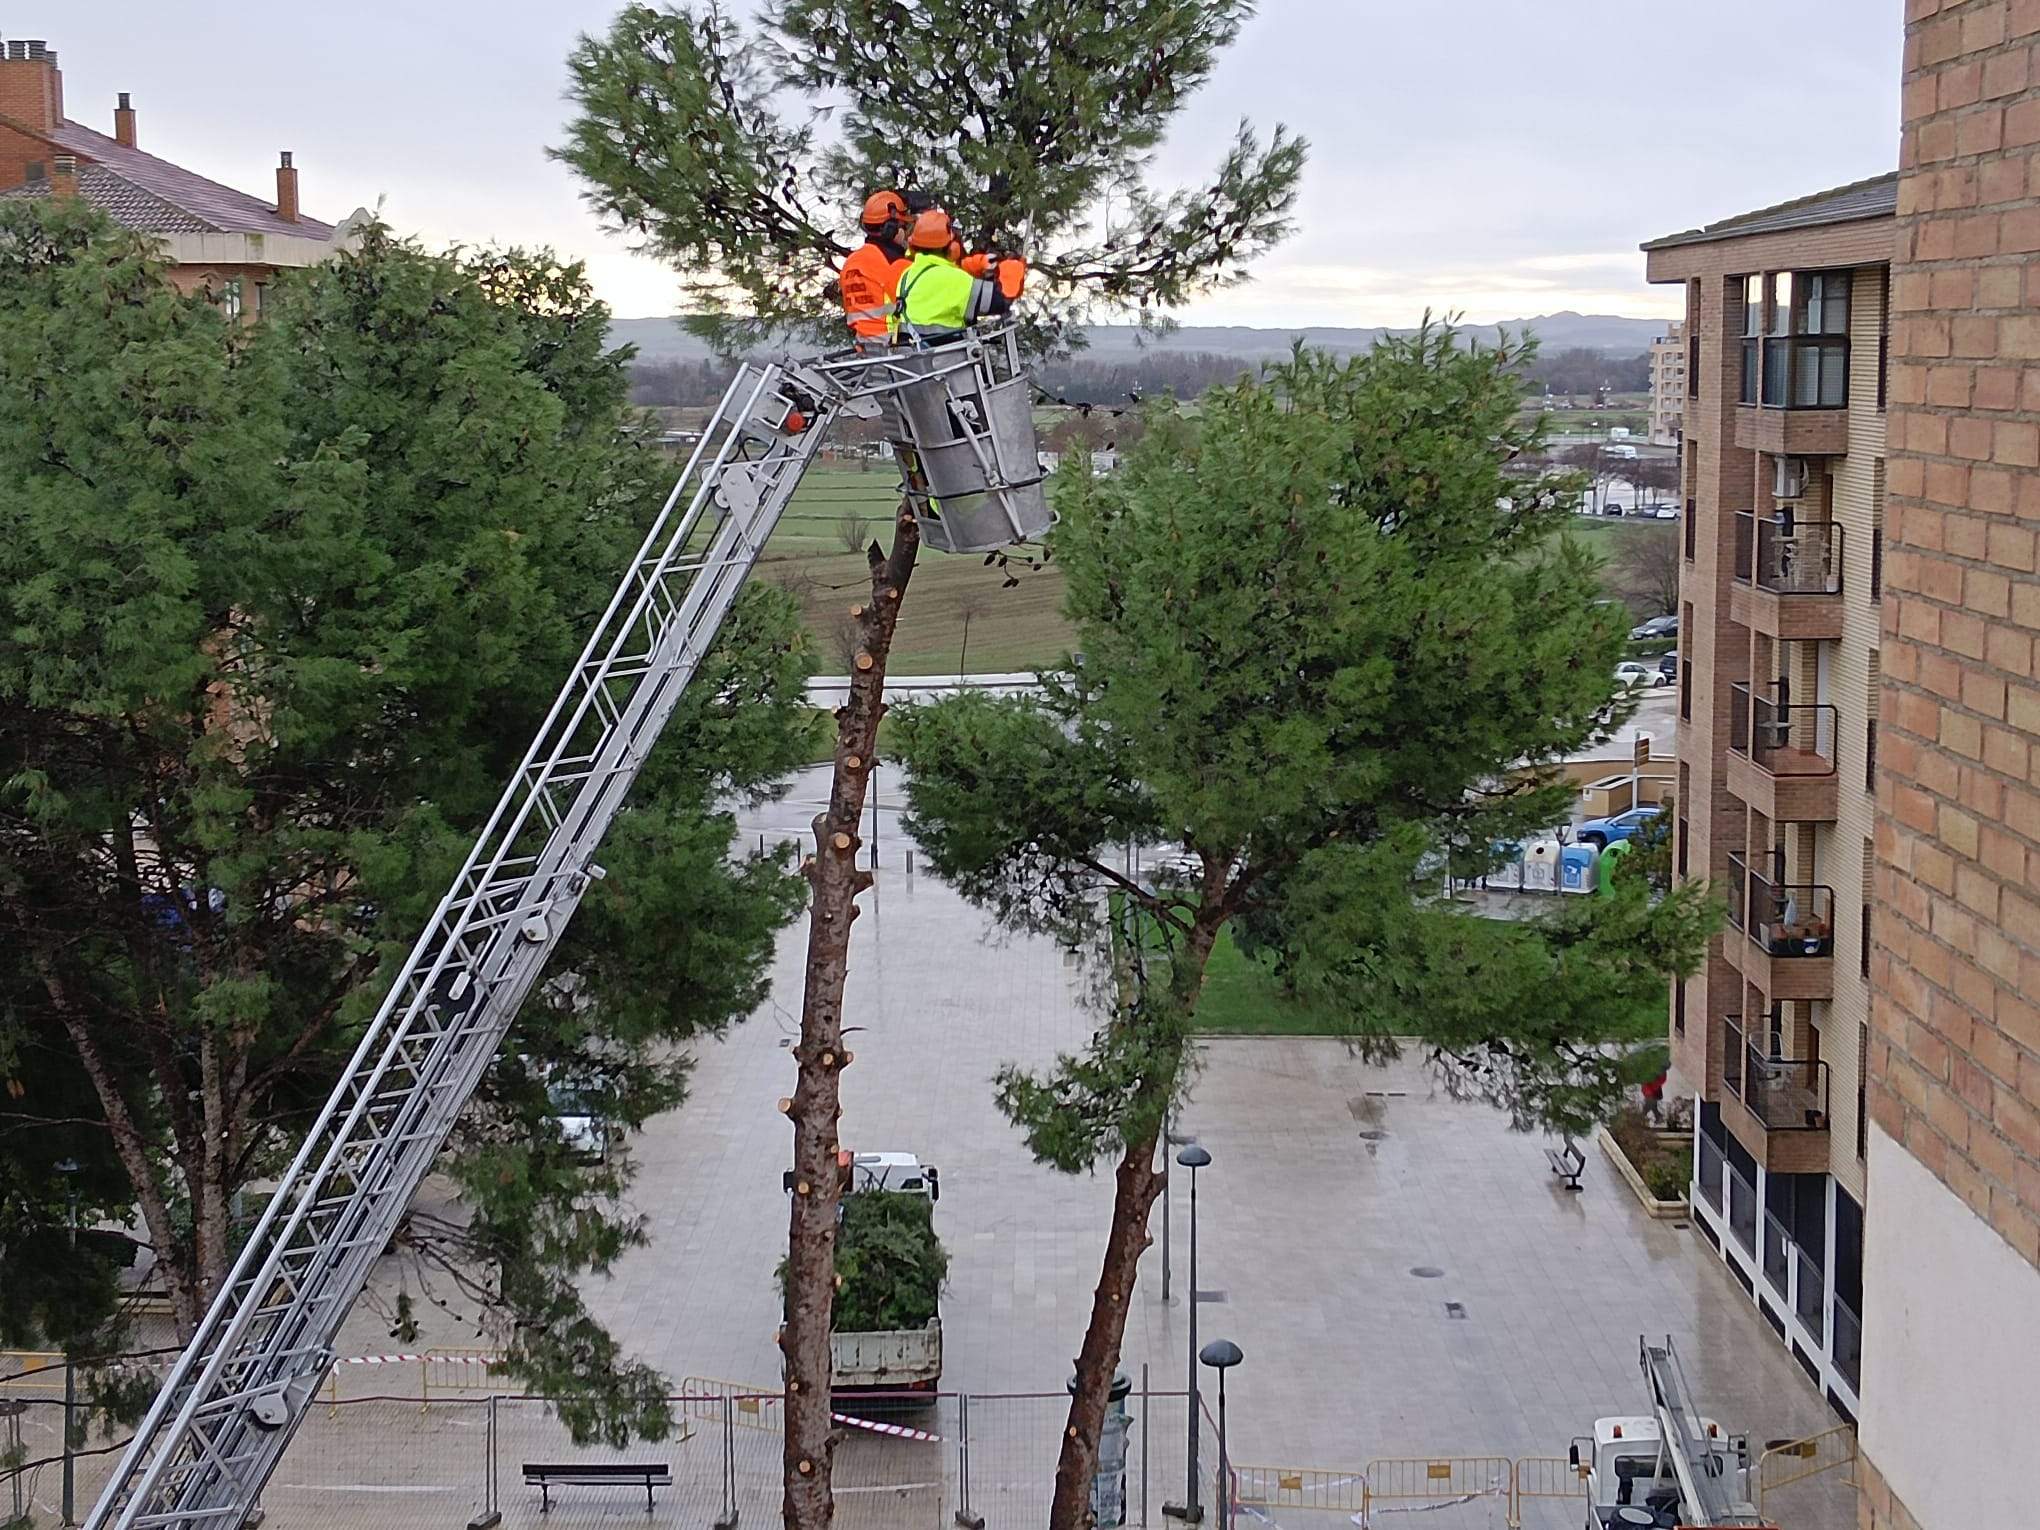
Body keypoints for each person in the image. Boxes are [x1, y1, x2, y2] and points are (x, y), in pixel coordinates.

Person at [892, 208, 1024, 342]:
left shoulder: (907, 275)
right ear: (949, 247)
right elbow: (1000, 302)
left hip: (915, 358)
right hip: (950, 358)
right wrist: (1012, 269)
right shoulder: (954, 279)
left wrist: (978, 265)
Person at [838, 189, 911, 346]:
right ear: (892, 229)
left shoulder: (851, 262)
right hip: (895, 350)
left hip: (864, 349)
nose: (905, 232)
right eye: (903, 226)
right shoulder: (896, 264)